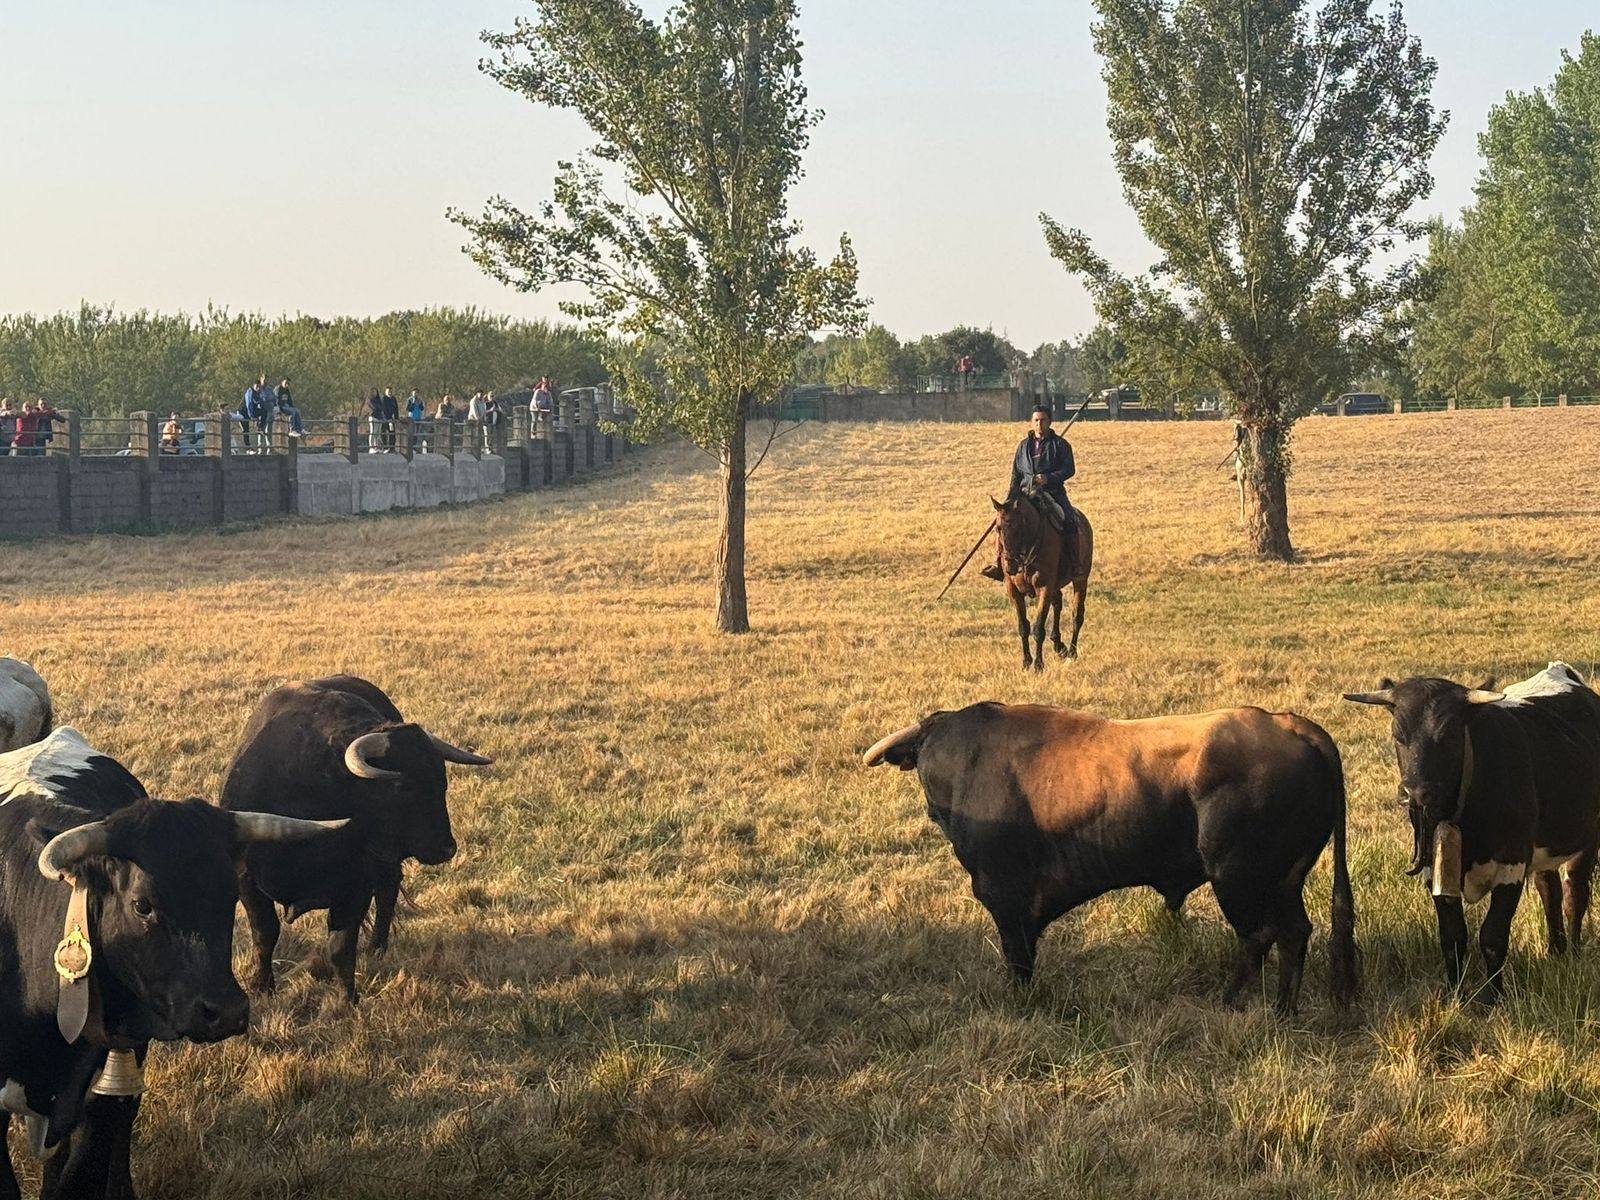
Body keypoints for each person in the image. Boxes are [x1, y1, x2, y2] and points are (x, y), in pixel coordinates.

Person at [981, 403, 1076, 581]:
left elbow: (1069, 469)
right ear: (1032, 422)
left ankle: (1075, 564)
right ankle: (998, 565)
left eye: (1043, 420)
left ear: (1050, 421)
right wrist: (1010, 499)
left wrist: (1048, 478)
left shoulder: (1061, 445)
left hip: (1052, 492)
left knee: (1069, 519)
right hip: (1024, 495)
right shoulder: (1023, 446)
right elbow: (1016, 474)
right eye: (1036, 420)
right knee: (1004, 523)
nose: (1039, 424)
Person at [381, 387, 400, 451]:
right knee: (384, 433)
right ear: (385, 392)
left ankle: (392, 447)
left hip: (391, 419)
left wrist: (396, 418)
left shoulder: (393, 399)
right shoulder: (384, 399)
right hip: (384, 418)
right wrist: (387, 418)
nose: (390, 393)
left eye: (390, 391)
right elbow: (384, 409)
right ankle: (385, 447)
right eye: (388, 391)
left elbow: (396, 409)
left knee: (392, 433)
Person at [366, 388, 384, 453]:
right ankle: (371, 448)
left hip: (379, 418)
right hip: (373, 417)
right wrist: (379, 407)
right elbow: (375, 407)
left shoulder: (379, 399)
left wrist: (379, 408)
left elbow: (382, 407)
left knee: (378, 433)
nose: (374, 393)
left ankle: (377, 447)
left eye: (375, 392)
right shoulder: (369, 399)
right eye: (373, 392)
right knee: (373, 432)